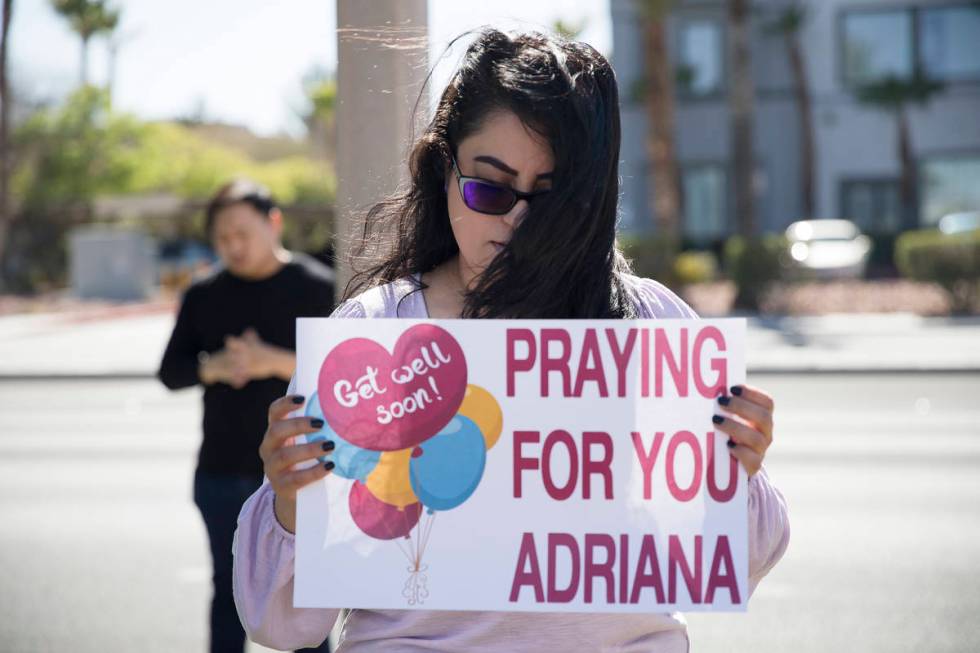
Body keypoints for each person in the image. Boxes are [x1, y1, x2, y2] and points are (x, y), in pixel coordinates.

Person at [232, 29, 790, 652]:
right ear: (442, 169)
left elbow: (738, 563)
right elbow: (282, 624)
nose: (517, 221)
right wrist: (289, 502)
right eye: (490, 189)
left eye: (550, 200)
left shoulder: (652, 325)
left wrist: (739, 468)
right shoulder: (374, 337)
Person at [158, 179, 335, 653]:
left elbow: (349, 375)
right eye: (222, 238)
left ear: (273, 222)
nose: (233, 246)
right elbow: (170, 372)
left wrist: (272, 361)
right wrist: (211, 367)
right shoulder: (204, 294)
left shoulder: (317, 286)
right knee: (228, 599)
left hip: (302, 475)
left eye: (242, 233)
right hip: (220, 470)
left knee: (306, 603)